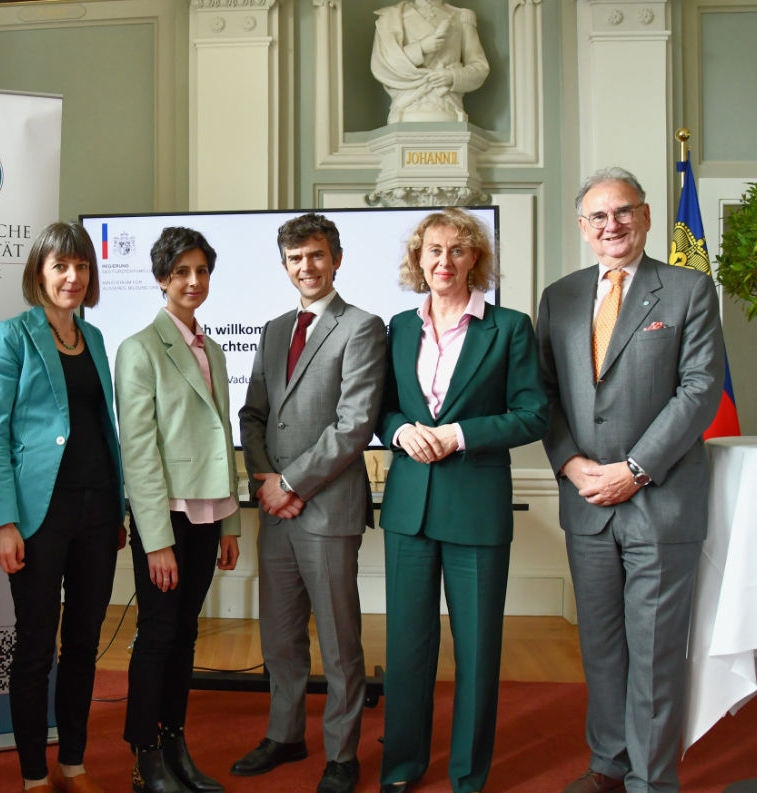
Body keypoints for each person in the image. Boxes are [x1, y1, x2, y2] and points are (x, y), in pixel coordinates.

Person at [537, 167, 724, 793]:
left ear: (645, 217)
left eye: (623, 213)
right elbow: (545, 395)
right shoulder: (559, 296)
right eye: (597, 216)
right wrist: (568, 463)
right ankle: (609, 765)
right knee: (603, 648)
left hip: (659, 501)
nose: (611, 225)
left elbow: (699, 391)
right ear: (582, 227)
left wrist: (635, 470)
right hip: (585, 500)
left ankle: (651, 781)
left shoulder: (689, 289)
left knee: (653, 653)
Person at [376, 208, 548, 793]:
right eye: (432, 251)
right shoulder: (398, 327)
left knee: (476, 654)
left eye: (456, 250)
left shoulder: (510, 327)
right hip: (408, 510)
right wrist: (401, 431)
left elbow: (533, 414)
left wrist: (460, 435)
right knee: (406, 649)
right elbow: (383, 410)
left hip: (475, 508)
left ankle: (468, 776)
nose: (443, 261)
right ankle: (400, 768)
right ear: (417, 259)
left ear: (475, 257)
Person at [234, 213, 387, 793]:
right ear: (285, 266)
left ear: (337, 258)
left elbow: (354, 426)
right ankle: (285, 734)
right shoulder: (274, 329)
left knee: (341, 640)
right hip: (275, 508)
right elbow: (252, 416)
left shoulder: (362, 327)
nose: (307, 267)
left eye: (316, 255)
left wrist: (291, 484)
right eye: (296, 259)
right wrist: (266, 479)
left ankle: (342, 754)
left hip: (326, 509)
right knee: (279, 635)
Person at [0, 222, 125, 793]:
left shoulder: (95, 338)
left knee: (85, 644)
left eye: (81, 266)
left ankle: (74, 762)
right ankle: (34, 774)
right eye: (60, 266)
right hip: (39, 515)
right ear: (39, 272)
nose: (72, 276)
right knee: (37, 645)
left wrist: (116, 509)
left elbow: (102, 427)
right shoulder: (11, 335)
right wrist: (5, 521)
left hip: (98, 511)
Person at [115, 227, 242, 793]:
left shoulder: (212, 348)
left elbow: (223, 438)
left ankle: (174, 742)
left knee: (187, 633)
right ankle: (145, 756)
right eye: (182, 272)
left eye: (202, 271)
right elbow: (138, 451)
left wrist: (232, 522)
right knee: (158, 634)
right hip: (166, 517)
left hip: (210, 513)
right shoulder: (140, 348)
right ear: (162, 278)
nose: (194, 282)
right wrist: (156, 538)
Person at [370, 0, 489, 124]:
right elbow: (385, 64)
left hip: (448, 106)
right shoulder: (391, 17)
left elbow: (479, 67)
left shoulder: (461, 17)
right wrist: (421, 48)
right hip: (407, 105)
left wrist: (453, 76)